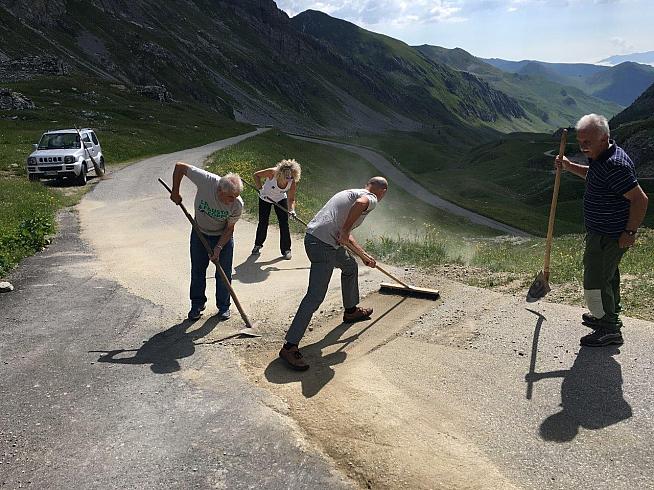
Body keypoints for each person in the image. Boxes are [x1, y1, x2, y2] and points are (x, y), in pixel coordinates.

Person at [555, 114, 648, 347]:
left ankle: (609, 329)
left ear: (604, 137)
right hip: (601, 233)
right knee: (608, 276)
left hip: (610, 235)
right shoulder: (601, 156)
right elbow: (593, 176)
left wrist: (629, 233)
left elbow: (640, 200)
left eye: (588, 141)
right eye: (580, 141)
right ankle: (607, 314)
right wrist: (568, 166)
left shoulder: (614, 164)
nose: (583, 146)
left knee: (595, 280)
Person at [279, 177, 389, 370]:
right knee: (315, 296)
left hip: (316, 239)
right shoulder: (369, 198)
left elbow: (344, 234)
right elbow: (352, 217)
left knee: (350, 267)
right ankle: (290, 346)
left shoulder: (351, 192)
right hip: (323, 246)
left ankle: (351, 310)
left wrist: (364, 255)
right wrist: (345, 230)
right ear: (383, 191)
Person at [170, 161, 244, 321]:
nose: (232, 201)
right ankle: (197, 304)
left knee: (223, 273)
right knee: (197, 271)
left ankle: (224, 307)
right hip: (199, 232)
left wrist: (218, 247)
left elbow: (229, 229)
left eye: (235, 197)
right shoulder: (207, 181)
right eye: (230, 197)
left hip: (221, 236)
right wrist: (175, 191)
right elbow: (180, 167)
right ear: (219, 190)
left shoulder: (237, 205)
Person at [252, 159, 302, 260]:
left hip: (280, 198)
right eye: (286, 177)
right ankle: (258, 245)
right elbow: (256, 175)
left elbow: (291, 199)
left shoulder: (292, 182)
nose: (289, 179)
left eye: (291, 177)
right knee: (263, 222)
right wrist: (261, 189)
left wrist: (292, 210)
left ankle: (286, 250)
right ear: (281, 173)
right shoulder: (272, 172)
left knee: (284, 223)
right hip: (265, 197)